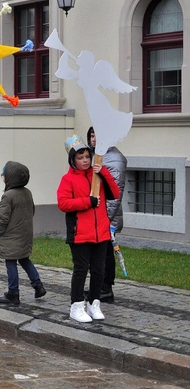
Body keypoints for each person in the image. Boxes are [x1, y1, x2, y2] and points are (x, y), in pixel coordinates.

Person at [57, 134, 119, 324]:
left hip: (100, 232)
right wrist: (87, 202)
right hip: (80, 234)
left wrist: (104, 172)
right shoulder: (68, 180)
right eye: (80, 158)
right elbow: (64, 203)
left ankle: (94, 303)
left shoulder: (97, 175)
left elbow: (114, 193)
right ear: (73, 160)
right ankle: (76, 305)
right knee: (81, 269)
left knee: (99, 270)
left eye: (87, 157)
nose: (84, 161)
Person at [0, 161, 46, 305]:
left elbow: (2, 218)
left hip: (11, 236)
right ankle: (38, 286)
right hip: (25, 234)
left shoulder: (8, 196)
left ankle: (13, 293)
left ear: (10, 177)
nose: (2, 177)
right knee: (24, 259)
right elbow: (32, 211)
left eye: (4, 174)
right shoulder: (27, 192)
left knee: (10, 263)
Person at [86, 126, 126, 303]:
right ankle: (98, 286)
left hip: (106, 217)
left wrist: (103, 220)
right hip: (94, 214)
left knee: (106, 253)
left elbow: (115, 195)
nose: (93, 139)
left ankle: (106, 288)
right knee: (96, 253)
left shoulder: (115, 158)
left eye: (97, 135)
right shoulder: (94, 154)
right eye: (91, 136)